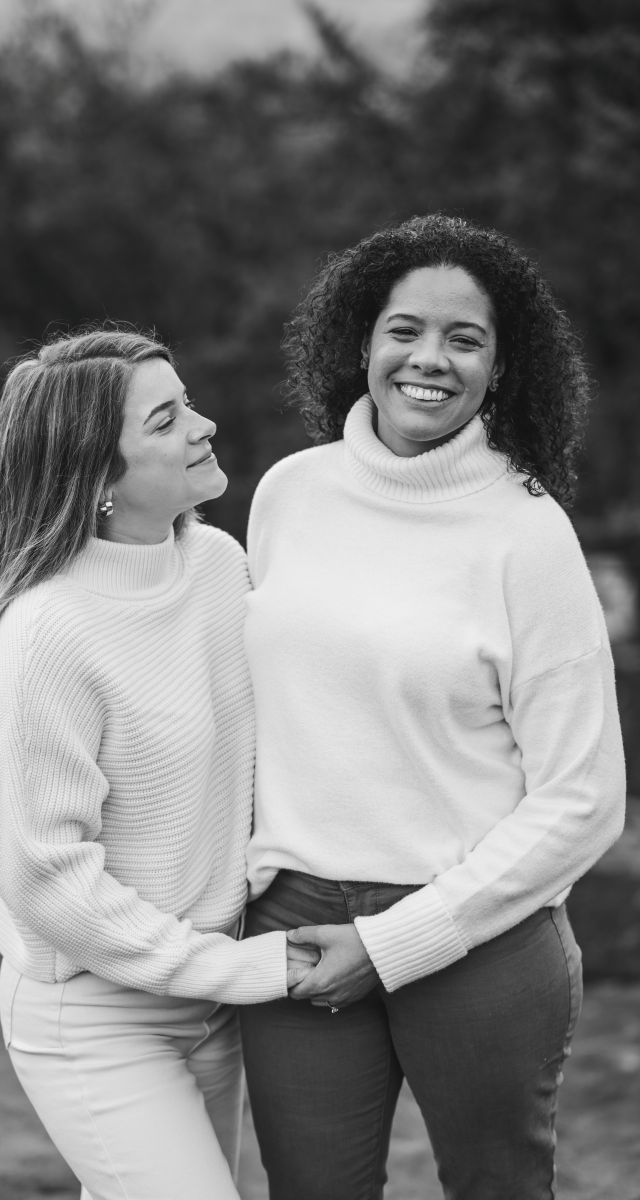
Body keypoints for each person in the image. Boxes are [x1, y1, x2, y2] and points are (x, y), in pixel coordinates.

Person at [239, 214, 626, 1200]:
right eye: (405, 329)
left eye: (465, 338)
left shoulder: (524, 533)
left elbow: (581, 796)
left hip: (477, 937)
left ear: (499, 370)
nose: (429, 359)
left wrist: (394, 940)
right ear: (360, 342)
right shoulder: (289, 495)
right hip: (292, 924)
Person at [0, 327, 314, 1200]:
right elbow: (43, 875)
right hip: (95, 1014)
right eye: (166, 420)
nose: (203, 425)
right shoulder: (48, 635)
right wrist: (234, 970)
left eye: (186, 401)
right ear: (97, 477)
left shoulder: (220, 567)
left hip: (213, 995)